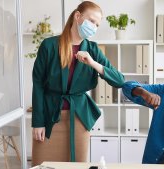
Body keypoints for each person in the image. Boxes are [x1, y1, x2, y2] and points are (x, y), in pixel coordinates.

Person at [31, 1, 124, 166]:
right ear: (77, 16)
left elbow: (119, 80)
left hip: (79, 119)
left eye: (97, 24)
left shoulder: (93, 50)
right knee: (42, 165)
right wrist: (38, 122)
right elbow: (38, 84)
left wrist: (93, 63)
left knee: (77, 166)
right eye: (92, 20)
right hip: (48, 118)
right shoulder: (49, 45)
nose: (94, 26)